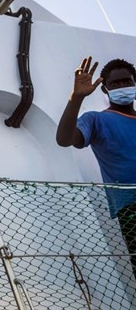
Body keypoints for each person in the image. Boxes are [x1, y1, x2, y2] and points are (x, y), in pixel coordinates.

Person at [56, 56, 136, 279]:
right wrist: (76, 99)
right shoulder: (95, 120)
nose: (122, 87)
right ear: (104, 88)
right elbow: (64, 139)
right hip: (131, 207)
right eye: (115, 83)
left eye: (127, 82)